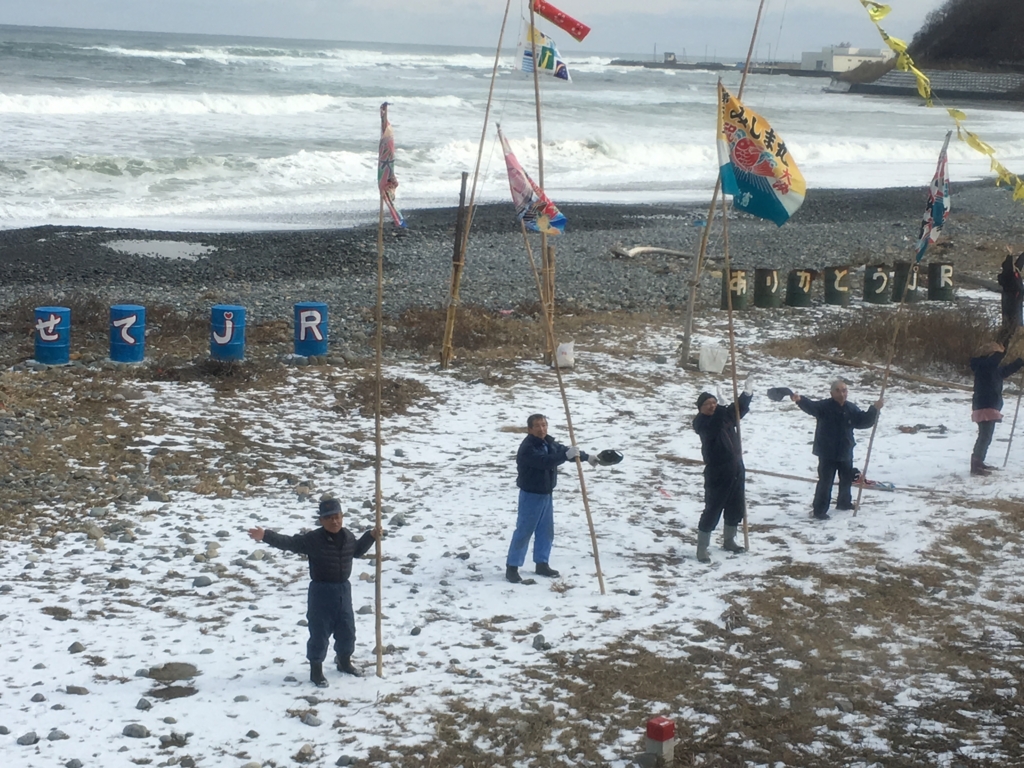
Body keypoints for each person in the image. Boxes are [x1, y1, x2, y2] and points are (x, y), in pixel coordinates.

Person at [248, 498, 382, 688]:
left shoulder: (348, 536)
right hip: (321, 592)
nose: (334, 522)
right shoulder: (313, 540)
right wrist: (265, 535)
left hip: (343, 589)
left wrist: (371, 535)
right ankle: (316, 671)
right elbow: (289, 543)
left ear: (342, 517)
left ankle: (344, 662)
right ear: (321, 520)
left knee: (347, 631)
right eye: (329, 518)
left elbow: (357, 552)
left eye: (337, 517)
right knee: (319, 633)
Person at [506, 413, 597, 584]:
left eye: (544, 425)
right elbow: (545, 462)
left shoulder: (548, 443)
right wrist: (565, 456)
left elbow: (564, 451)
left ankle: (542, 563)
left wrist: (586, 457)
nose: (542, 429)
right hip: (531, 495)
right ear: (530, 429)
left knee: (546, 531)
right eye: (538, 426)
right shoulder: (528, 448)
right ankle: (512, 567)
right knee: (524, 531)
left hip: (547, 494)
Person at [790, 380, 882, 520]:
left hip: (845, 449)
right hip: (827, 451)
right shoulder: (824, 406)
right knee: (825, 482)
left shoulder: (851, 408)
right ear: (832, 393)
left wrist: (874, 409)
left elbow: (863, 421)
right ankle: (819, 510)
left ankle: (844, 503)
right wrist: (799, 400)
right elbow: (811, 406)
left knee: (846, 479)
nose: (842, 393)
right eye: (838, 390)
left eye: (844, 390)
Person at [691, 377, 753, 564]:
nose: (712, 406)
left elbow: (737, 410)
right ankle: (702, 548)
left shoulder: (723, 415)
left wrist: (747, 394)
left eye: (714, 403)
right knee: (713, 508)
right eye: (708, 404)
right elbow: (714, 425)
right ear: (701, 408)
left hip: (736, 467)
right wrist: (721, 408)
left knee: (736, 506)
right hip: (718, 472)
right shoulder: (701, 423)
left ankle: (729, 540)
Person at [969, 341, 1024, 476]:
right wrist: (1000, 352)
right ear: (990, 354)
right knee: (984, 436)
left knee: (986, 436)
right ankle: (976, 464)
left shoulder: (991, 369)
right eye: (996, 354)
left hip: (990, 405)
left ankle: (979, 461)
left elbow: (1006, 370)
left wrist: (1020, 361)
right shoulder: (983, 366)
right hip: (984, 405)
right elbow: (994, 362)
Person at [997, 252, 1024, 346]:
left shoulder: (1014, 273)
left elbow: (1019, 263)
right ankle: (1005, 344)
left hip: (1015, 303)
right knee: (1011, 325)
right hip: (1012, 304)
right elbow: (1010, 265)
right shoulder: (1009, 276)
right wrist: (1010, 256)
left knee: (1013, 325)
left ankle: (1006, 342)